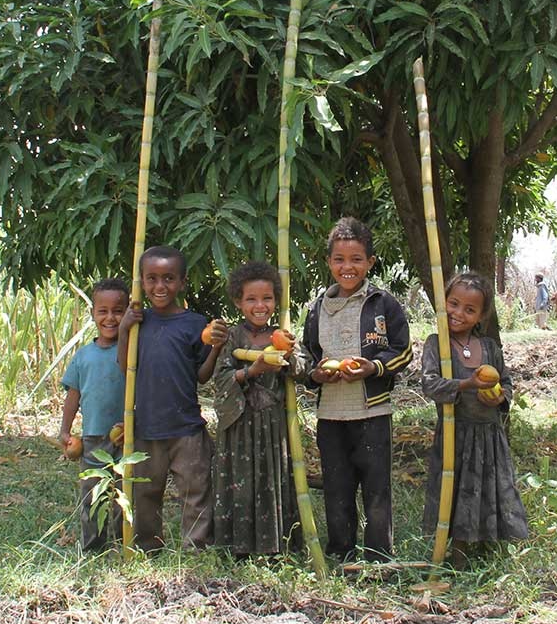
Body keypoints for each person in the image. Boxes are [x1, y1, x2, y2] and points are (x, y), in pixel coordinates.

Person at [302, 217, 412, 563]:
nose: (347, 267)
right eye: (339, 259)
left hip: (372, 411)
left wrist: (374, 367)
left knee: (376, 486)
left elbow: (403, 349)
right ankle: (341, 551)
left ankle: (379, 555)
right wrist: (314, 374)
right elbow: (307, 354)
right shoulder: (317, 308)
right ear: (329, 262)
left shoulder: (383, 303)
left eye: (356, 260)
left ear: (370, 263)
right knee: (337, 486)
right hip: (330, 414)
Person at [117, 246, 228, 552]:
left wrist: (216, 348)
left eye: (168, 278)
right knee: (144, 493)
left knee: (195, 491)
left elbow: (202, 376)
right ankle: (147, 545)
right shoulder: (138, 321)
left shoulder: (194, 324)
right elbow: (124, 367)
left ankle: (196, 547)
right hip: (145, 427)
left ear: (182, 282)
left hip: (186, 427)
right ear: (141, 281)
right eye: (151, 279)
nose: (159, 286)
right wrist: (125, 327)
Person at [421, 272, 529, 568]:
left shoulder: (490, 347)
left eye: (469, 309)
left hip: (489, 435)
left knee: (490, 488)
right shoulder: (437, 344)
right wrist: (467, 385)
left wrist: (500, 397)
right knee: (457, 492)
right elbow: (430, 384)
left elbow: (506, 383)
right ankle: (459, 556)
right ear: (444, 303)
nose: (458, 313)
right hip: (456, 435)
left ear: (481, 315)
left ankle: (489, 548)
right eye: (453, 304)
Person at [211, 261, 303, 556]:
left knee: (271, 478)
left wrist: (291, 355)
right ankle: (237, 547)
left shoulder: (283, 335)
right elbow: (221, 377)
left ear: (276, 301)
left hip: (272, 425)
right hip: (239, 423)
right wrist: (253, 370)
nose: (259, 305)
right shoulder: (232, 337)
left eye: (267, 299)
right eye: (251, 299)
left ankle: (275, 545)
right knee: (240, 480)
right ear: (238, 301)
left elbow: (300, 371)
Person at [59, 278, 129, 552]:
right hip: (92, 439)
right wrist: (65, 431)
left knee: (125, 494)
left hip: (126, 436)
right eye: (103, 311)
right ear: (93, 313)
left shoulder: (132, 353)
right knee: (93, 495)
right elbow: (73, 396)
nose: (110, 318)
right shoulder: (83, 356)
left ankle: (127, 544)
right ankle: (94, 547)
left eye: (118, 311)